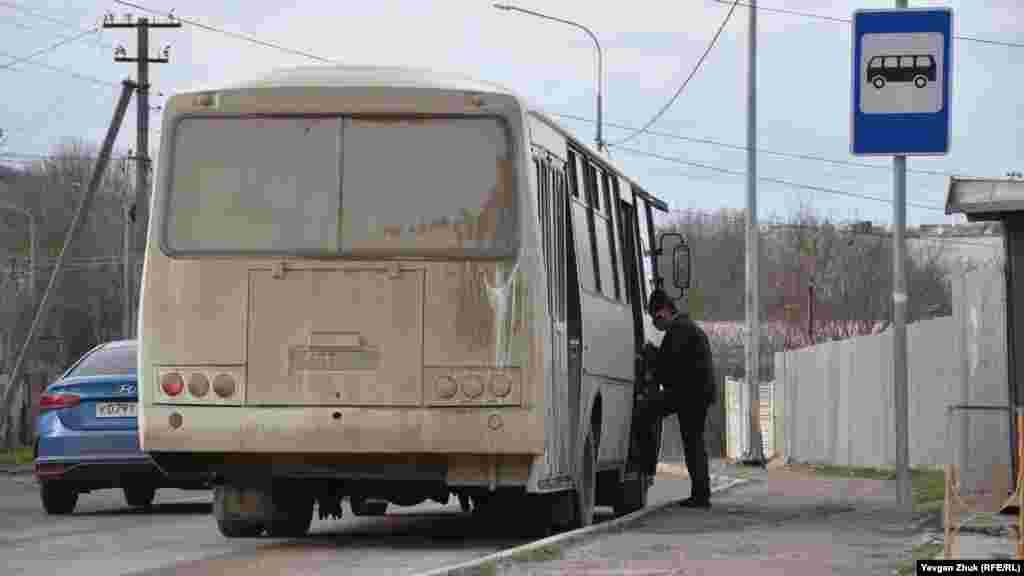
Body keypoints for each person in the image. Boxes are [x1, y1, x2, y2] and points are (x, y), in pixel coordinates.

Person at [642, 288, 716, 508]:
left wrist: (651, 359)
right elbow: (670, 362)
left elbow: (666, 368)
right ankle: (701, 493)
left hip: (690, 394)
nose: (656, 325)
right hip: (693, 393)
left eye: (656, 319)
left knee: (647, 412)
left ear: (663, 312)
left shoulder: (679, 330)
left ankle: (700, 495)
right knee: (694, 442)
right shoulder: (683, 327)